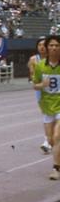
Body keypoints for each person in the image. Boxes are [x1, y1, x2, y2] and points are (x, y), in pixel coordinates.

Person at [33, 35, 60, 180]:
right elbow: (34, 85)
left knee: (57, 137)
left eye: (57, 45)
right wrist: (42, 85)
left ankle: (56, 169)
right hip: (47, 106)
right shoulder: (40, 66)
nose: (54, 48)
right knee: (50, 140)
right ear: (47, 48)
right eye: (51, 45)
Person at [28, 38, 52, 154]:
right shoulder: (34, 59)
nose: (41, 47)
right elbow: (32, 76)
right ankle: (47, 140)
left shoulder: (55, 58)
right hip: (42, 90)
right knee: (47, 114)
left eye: (44, 45)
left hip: (56, 91)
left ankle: (48, 141)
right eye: (39, 45)